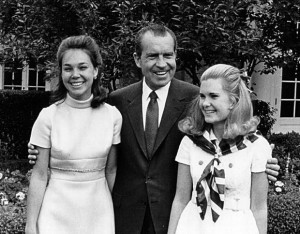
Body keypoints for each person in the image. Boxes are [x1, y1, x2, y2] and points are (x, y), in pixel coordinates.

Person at [28, 24, 279, 234]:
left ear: (175, 56)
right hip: (124, 216)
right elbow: (87, 132)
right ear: (138, 59)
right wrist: (42, 151)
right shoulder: (116, 102)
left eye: (168, 55)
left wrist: (263, 162)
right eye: (152, 56)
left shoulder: (196, 99)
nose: (162, 63)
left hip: (172, 214)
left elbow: (231, 133)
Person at [25, 35, 122, 234]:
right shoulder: (48, 116)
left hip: (98, 212)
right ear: (61, 73)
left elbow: (111, 171)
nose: (75, 74)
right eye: (68, 68)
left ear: (95, 70)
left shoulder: (112, 115)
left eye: (82, 67)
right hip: (56, 213)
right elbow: (40, 175)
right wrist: (30, 225)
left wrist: (114, 213)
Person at [168, 64, 270, 234]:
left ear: (233, 101)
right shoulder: (191, 142)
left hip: (237, 226)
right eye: (202, 96)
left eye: (213, 96)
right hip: (194, 225)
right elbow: (180, 199)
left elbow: (259, 207)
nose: (205, 103)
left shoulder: (256, 145)